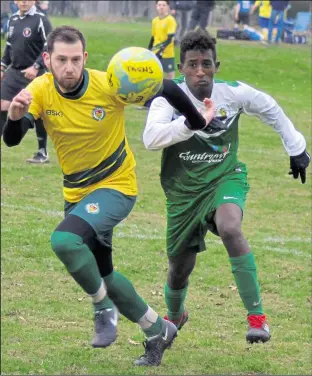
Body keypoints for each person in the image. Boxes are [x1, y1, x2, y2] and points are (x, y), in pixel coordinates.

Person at [3, 26, 218, 366]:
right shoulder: (40, 89)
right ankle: (157, 329)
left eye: (76, 59)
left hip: (116, 186)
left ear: (85, 58)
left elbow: (165, 87)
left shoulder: (111, 84)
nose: (69, 67)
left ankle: (103, 309)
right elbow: (13, 139)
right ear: (47, 60)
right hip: (77, 192)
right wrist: (14, 116)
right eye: (61, 60)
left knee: (64, 241)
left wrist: (196, 121)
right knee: (105, 275)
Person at [143, 30, 310, 344]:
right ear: (182, 67)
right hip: (184, 192)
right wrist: (192, 121)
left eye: (206, 64)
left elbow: (270, 108)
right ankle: (176, 315)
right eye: (192, 64)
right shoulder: (168, 96)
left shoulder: (233, 94)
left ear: (216, 65)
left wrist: (296, 147)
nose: (200, 71)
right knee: (179, 268)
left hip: (224, 177)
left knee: (231, 227)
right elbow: (151, 138)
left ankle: (257, 319)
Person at [0, 0, 52, 164]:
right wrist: (2, 66)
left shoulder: (41, 19)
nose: (24, 2)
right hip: (15, 71)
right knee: (2, 105)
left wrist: (36, 66)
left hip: (34, 73)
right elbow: (9, 46)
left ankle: (42, 152)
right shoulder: (13, 19)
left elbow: (49, 45)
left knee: (37, 111)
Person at [148, 0, 177, 80]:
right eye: (159, 5)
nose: (161, 7)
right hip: (155, 52)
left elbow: (169, 39)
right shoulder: (155, 21)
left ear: (168, 7)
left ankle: (170, 91)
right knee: (152, 74)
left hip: (167, 53)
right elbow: (153, 37)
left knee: (170, 75)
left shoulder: (170, 20)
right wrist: (149, 49)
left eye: (164, 5)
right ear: (156, 7)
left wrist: (160, 50)